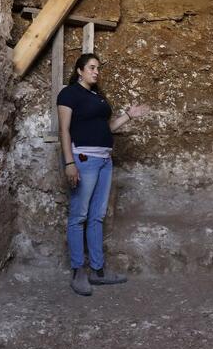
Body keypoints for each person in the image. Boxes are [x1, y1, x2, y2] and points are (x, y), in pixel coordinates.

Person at [57, 53, 149, 296]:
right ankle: (79, 272)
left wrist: (129, 115)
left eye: (98, 68)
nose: (96, 72)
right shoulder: (69, 94)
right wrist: (69, 163)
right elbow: (64, 130)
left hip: (105, 161)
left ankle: (98, 271)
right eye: (91, 67)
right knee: (80, 215)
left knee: (97, 216)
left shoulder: (98, 97)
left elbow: (105, 129)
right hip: (83, 160)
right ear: (79, 70)